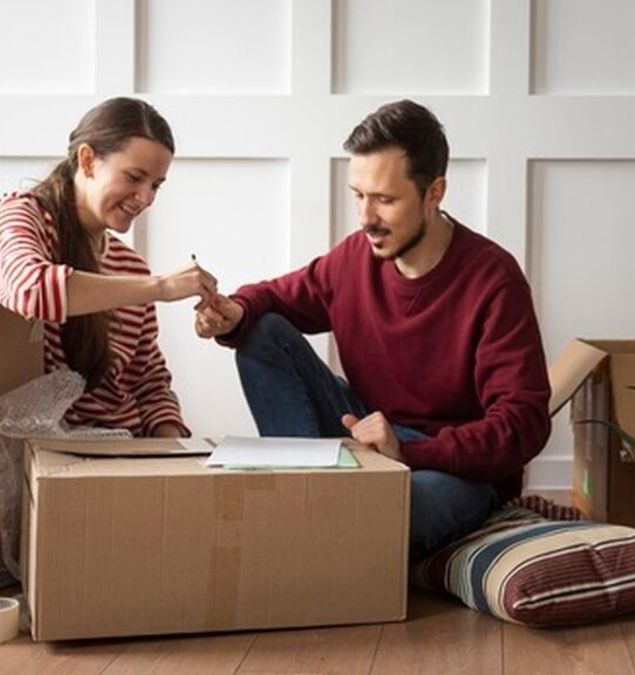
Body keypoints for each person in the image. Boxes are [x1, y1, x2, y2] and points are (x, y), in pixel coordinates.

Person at [194, 100, 551, 559]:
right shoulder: (352, 259)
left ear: (434, 192)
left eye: (384, 199)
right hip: (363, 438)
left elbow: (523, 426)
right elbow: (273, 297)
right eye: (358, 195)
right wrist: (235, 312)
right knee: (260, 333)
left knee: (398, 511)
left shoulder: (494, 280)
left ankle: (323, 520)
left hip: (451, 468)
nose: (365, 217)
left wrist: (406, 450)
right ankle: (315, 497)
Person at [0, 97, 215, 437]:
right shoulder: (21, 216)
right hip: (47, 459)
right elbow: (31, 289)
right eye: (134, 177)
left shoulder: (131, 269)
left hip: (124, 454)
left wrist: (172, 452)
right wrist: (160, 287)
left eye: (156, 185)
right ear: (87, 160)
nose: (146, 198)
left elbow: (149, 383)